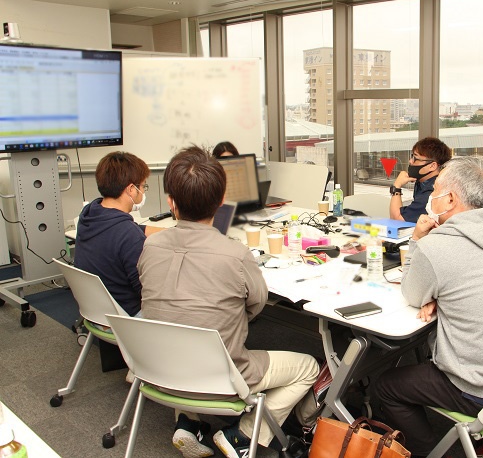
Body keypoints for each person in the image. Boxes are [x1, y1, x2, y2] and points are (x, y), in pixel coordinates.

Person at [138, 146, 319, 458]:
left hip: (159, 368)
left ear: (170, 202)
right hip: (222, 374)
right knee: (309, 367)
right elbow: (257, 304)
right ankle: (244, 434)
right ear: (221, 202)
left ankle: (188, 422)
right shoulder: (234, 253)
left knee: (179, 326)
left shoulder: (150, 246)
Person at [375, 157, 483, 458]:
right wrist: (443, 294)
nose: (431, 196)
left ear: (451, 198)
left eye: (437, 189)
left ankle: (432, 453)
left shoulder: (437, 245)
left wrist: (417, 240)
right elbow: (480, 284)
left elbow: (413, 293)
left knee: (385, 386)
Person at [74, 151, 163, 317]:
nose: (143, 191)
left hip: (97, 310)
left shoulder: (90, 213)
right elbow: (148, 294)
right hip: (127, 316)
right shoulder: (128, 235)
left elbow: (129, 230)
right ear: (131, 189)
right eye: (143, 186)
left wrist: (170, 233)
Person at [389, 137, 452, 223]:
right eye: (412, 156)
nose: (410, 161)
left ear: (432, 166)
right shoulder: (424, 182)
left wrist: (396, 186)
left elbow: (397, 220)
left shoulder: (433, 191)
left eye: (415, 158)